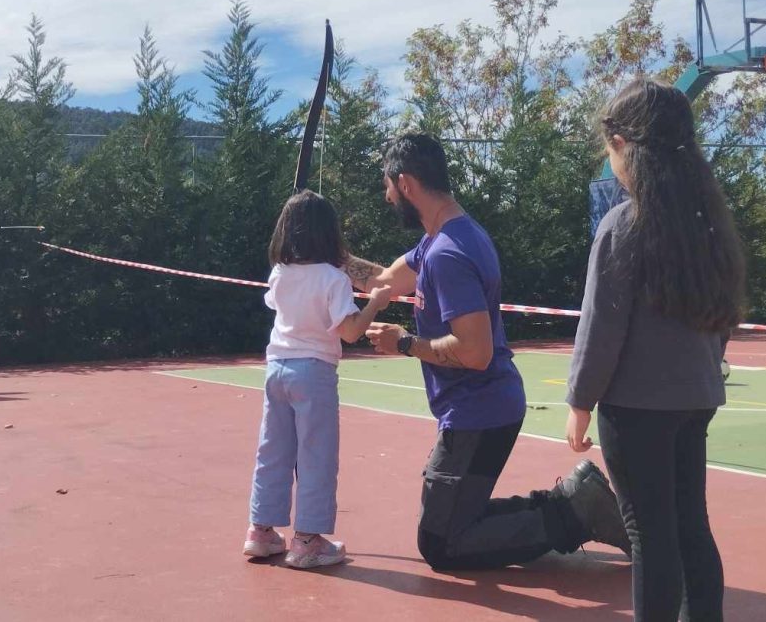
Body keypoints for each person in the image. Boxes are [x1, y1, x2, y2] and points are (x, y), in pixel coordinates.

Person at [347, 133, 629, 571]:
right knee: (449, 529)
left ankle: (577, 508)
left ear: (405, 185)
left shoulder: (447, 254)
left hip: (479, 413)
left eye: (387, 187)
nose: (386, 197)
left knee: (443, 544)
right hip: (481, 409)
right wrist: (326, 252)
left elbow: (475, 353)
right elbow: (382, 280)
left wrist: (404, 343)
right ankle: (575, 504)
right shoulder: (445, 237)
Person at [566, 79, 742, 621]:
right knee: (692, 527)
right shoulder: (709, 224)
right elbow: (723, 316)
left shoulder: (624, 224)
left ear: (624, 145)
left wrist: (579, 403)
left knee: (650, 537)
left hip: (638, 407)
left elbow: (601, 327)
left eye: (609, 146)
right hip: (697, 398)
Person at [245, 190, 394, 569]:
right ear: (328, 233)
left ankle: (260, 533)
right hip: (313, 373)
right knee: (316, 456)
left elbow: (282, 307)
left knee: (272, 452)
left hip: (276, 369)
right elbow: (349, 331)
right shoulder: (333, 278)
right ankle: (308, 541)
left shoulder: (280, 273)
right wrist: (375, 301)